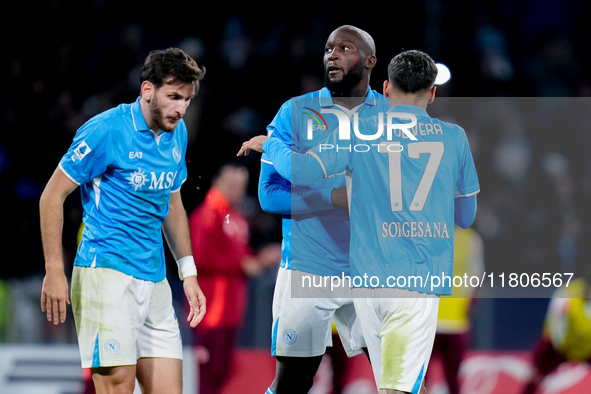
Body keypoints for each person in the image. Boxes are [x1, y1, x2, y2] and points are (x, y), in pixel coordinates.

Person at [238, 49, 480, 394]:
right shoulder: (454, 138)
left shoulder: (360, 131)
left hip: (367, 280)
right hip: (413, 280)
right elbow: (465, 217)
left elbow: (302, 170)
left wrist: (270, 146)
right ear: (432, 93)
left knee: (390, 384)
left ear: (385, 87)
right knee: (399, 386)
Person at [39, 47, 207, 394]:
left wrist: (187, 272)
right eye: (174, 97)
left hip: (155, 280)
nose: (181, 108)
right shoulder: (106, 131)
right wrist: (55, 271)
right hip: (107, 276)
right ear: (147, 90)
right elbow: (52, 195)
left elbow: (171, 199)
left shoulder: (178, 133)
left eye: (187, 100)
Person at [256, 25, 385, 394]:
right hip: (308, 271)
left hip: (373, 272)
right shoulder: (294, 112)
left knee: (401, 379)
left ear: (370, 61)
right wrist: (333, 199)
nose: (332, 54)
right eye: (329, 48)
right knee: (293, 384)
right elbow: (269, 196)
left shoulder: (392, 117)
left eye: (345, 48)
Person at [189, 163, 280, 394]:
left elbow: (238, 254)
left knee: (222, 370)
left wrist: (259, 258)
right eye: (232, 183)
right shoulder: (208, 213)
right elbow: (198, 257)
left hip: (231, 306)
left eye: (241, 185)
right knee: (211, 372)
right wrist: (243, 264)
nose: (237, 189)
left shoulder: (234, 216)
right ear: (217, 182)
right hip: (212, 307)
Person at [521, 241, 591, 394]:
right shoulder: (568, 294)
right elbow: (555, 323)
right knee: (536, 376)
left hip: (587, 346)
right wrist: (563, 346)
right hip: (559, 345)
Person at [426, 226, 484, 394]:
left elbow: (477, 277)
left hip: (454, 322)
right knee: (423, 378)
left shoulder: (470, 240)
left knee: (451, 378)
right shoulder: (425, 234)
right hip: (431, 321)